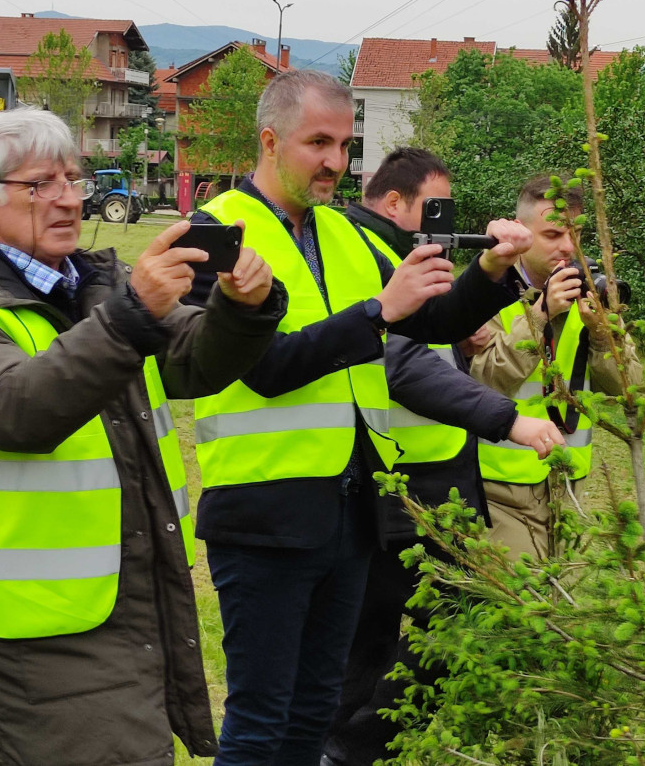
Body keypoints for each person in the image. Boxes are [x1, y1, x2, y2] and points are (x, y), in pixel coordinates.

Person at [0, 108, 286, 766]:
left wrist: (244, 310)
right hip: (27, 629)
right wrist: (131, 318)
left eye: (72, 178)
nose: (70, 197)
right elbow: (16, 411)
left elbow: (193, 359)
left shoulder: (97, 287)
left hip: (126, 598)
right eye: (41, 184)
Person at [184, 70, 538, 766]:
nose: (335, 163)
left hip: (351, 517)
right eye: (318, 142)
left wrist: (492, 270)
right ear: (269, 139)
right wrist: (380, 311)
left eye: (346, 145)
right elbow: (261, 368)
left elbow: (433, 317)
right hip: (264, 516)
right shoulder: (217, 233)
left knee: (318, 710)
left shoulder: (344, 232)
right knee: (261, 720)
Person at [323, 147, 565, 766]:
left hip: (432, 488)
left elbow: (425, 334)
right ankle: (348, 750)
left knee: (435, 626)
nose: (440, 228)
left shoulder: (396, 257)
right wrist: (506, 419)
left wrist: (457, 332)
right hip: (394, 488)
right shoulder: (368, 258)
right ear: (395, 202)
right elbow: (400, 364)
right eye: (432, 210)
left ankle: (360, 745)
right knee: (376, 641)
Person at [470, 173, 642, 560]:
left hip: (567, 482)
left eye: (576, 235)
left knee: (557, 610)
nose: (567, 247)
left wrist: (601, 334)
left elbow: (629, 388)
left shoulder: (587, 290)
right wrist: (540, 314)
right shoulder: (486, 291)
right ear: (521, 233)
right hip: (499, 486)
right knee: (519, 609)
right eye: (552, 235)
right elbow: (483, 381)